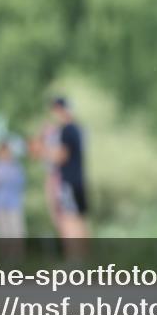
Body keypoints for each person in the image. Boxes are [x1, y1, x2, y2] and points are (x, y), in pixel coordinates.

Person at [50, 97, 90, 258]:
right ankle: (85, 260)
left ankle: (75, 261)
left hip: (68, 182)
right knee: (80, 220)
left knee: (68, 219)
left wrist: (44, 151)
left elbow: (61, 156)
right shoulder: (78, 129)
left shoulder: (66, 130)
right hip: (79, 180)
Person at [0, 140, 27, 259]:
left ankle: (17, 260)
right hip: (0, 205)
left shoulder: (16, 167)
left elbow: (20, 183)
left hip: (14, 205)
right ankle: (6, 261)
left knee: (16, 233)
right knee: (3, 234)